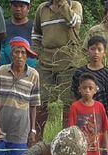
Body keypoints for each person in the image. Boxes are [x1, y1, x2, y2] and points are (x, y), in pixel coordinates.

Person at [32, 0, 82, 135]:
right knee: (42, 103)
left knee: (68, 104)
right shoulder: (42, 8)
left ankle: (67, 139)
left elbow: (73, 23)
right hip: (46, 63)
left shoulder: (74, 6)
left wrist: (63, 4)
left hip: (68, 62)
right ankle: (38, 140)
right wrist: (38, 52)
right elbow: (36, 33)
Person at [71, 36, 108, 138]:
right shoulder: (79, 73)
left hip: (102, 119)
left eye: (99, 49)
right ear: (88, 51)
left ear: (104, 52)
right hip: (82, 119)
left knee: (101, 148)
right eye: (93, 49)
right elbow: (75, 97)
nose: (96, 52)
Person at [68, 74, 108, 155]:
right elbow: (72, 131)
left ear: (96, 89)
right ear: (79, 89)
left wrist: (106, 145)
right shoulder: (75, 107)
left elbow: (104, 128)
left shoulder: (99, 107)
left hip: (96, 154)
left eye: (90, 88)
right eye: (84, 88)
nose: (87, 90)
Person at [0, 0, 37, 68]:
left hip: (29, 72)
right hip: (6, 70)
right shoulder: (4, 26)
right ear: (11, 7)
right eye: (15, 6)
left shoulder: (34, 27)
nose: (18, 9)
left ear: (28, 8)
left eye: (22, 6)